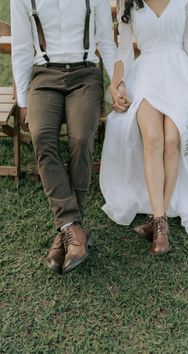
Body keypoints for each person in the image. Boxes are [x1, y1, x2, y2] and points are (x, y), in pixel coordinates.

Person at [100, 0, 188, 255]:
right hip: (146, 75)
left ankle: (157, 221)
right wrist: (115, 83)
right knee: (153, 138)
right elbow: (124, 49)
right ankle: (160, 221)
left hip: (179, 73)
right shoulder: (127, 2)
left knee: (172, 139)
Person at [11, 0, 116, 274]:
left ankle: (67, 232)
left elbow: (106, 39)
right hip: (44, 76)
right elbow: (22, 48)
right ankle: (74, 229)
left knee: (81, 138)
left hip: (85, 75)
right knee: (42, 136)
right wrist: (23, 100)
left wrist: (117, 83)